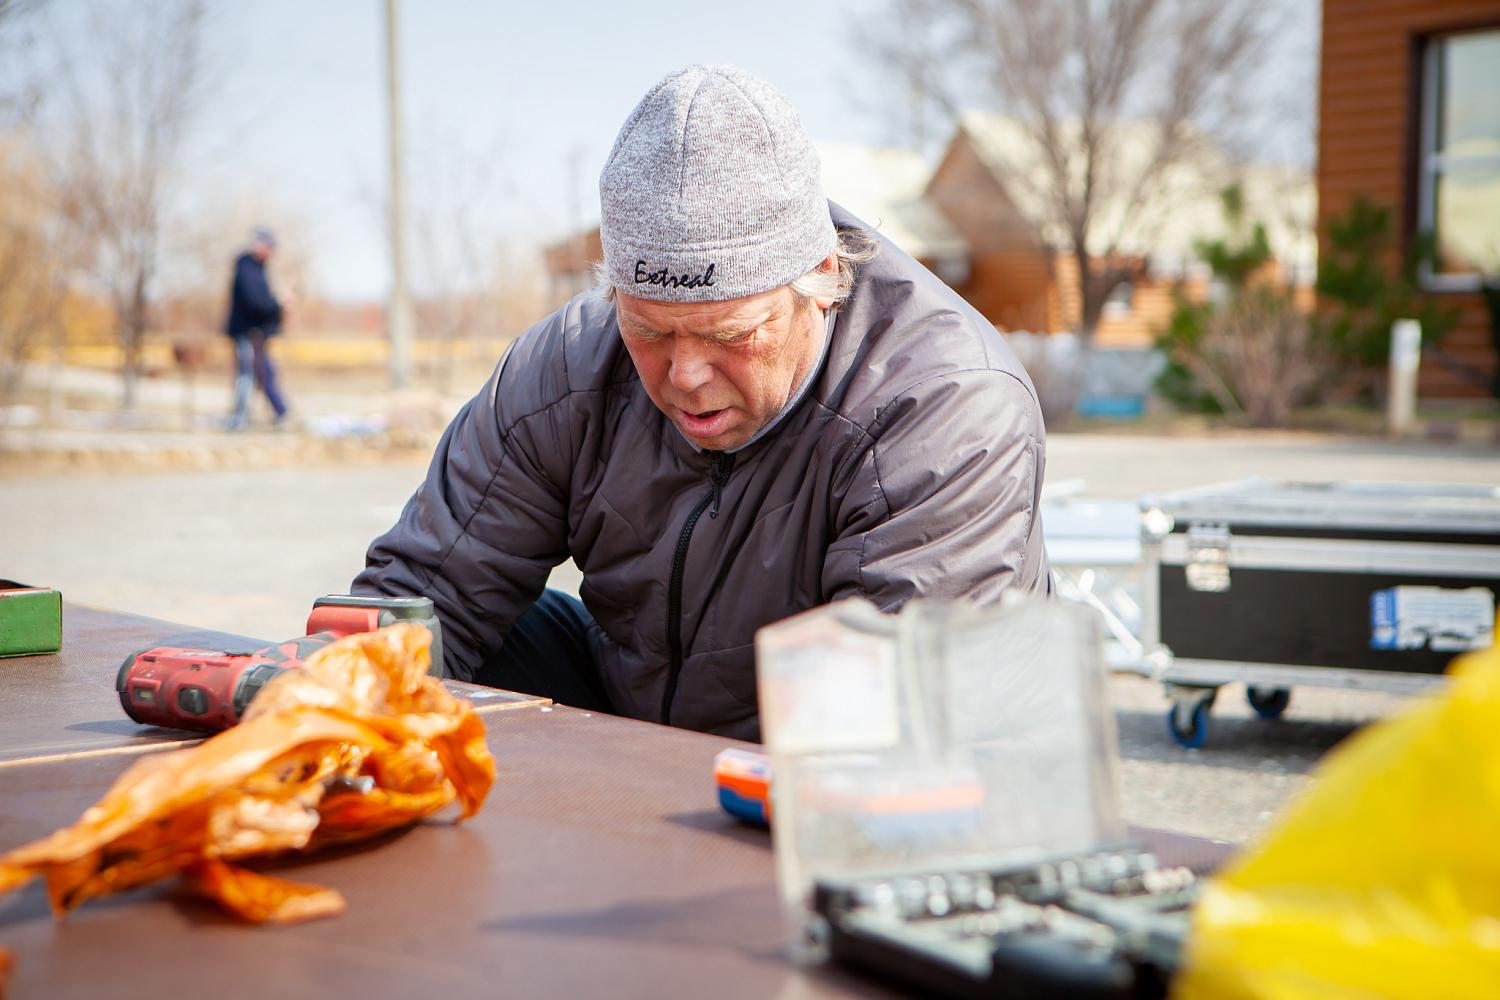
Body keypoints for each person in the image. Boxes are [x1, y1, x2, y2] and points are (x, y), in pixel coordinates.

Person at [353, 65, 1051, 740]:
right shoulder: (570, 366)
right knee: (405, 647)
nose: (684, 374)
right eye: (649, 330)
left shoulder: (942, 403)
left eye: (730, 334)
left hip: (881, 754)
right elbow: (422, 587)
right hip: (644, 713)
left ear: (822, 275)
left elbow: (896, 717)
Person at [224, 227, 289, 430]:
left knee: (264, 373)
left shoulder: (256, 268)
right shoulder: (247, 269)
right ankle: (239, 419)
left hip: (256, 333)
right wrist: (278, 303)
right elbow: (256, 302)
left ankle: (281, 413)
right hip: (247, 332)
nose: (270, 252)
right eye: (268, 247)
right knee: (247, 374)